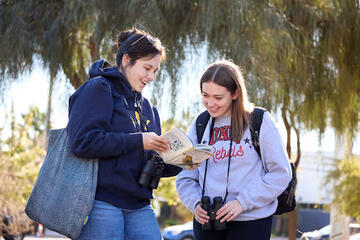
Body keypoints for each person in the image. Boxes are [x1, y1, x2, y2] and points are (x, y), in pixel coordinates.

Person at [66, 27, 182, 240]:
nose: (152, 77)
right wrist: (139, 141)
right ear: (127, 60)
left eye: (155, 71)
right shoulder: (99, 89)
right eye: (147, 68)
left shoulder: (149, 109)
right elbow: (82, 142)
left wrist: (183, 161)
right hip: (102, 202)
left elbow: (148, 162)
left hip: (140, 205)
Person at [176, 60, 292, 240]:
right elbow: (185, 176)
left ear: (235, 93)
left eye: (218, 97)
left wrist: (242, 202)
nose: (210, 103)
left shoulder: (259, 121)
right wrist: (196, 203)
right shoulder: (200, 124)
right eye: (205, 95)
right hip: (208, 223)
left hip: (251, 222)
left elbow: (280, 173)